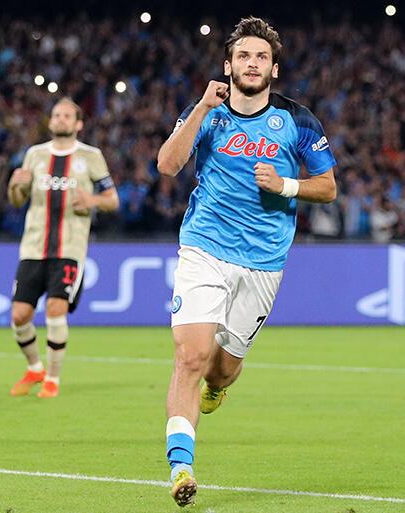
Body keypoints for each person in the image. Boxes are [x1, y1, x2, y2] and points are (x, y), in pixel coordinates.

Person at [156, 16, 337, 507]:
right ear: (228, 65)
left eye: (261, 57)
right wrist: (201, 108)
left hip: (263, 261)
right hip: (205, 247)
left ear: (274, 69)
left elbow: (328, 187)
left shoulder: (298, 120)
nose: (252, 63)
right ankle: (181, 466)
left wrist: (286, 185)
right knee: (190, 357)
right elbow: (167, 165)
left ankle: (218, 388)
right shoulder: (206, 112)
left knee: (221, 371)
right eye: (243, 56)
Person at [6, 97, 119, 398]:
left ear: (78, 123)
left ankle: (53, 379)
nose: (61, 119)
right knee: (19, 315)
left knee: (56, 309)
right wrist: (15, 185)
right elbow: (17, 200)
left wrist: (92, 200)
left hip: (70, 247)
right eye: (56, 115)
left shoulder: (91, 156)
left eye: (67, 115)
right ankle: (35, 368)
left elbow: (112, 199)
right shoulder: (35, 154)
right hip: (33, 247)